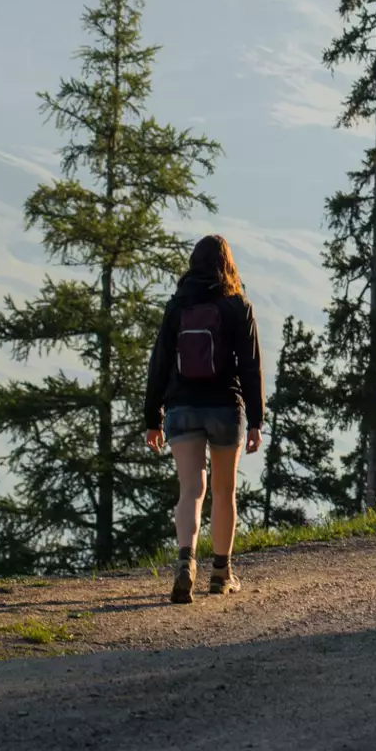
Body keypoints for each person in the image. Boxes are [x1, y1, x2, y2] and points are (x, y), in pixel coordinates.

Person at [143, 234, 264, 604]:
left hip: (181, 408)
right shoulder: (236, 305)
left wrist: (153, 418)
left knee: (191, 489)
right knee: (224, 491)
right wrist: (256, 420)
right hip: (225, 408)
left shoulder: (177, 306)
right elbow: (251, 366)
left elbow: (160, 362)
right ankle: (221, 573)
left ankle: (185, 563)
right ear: (227, 264)